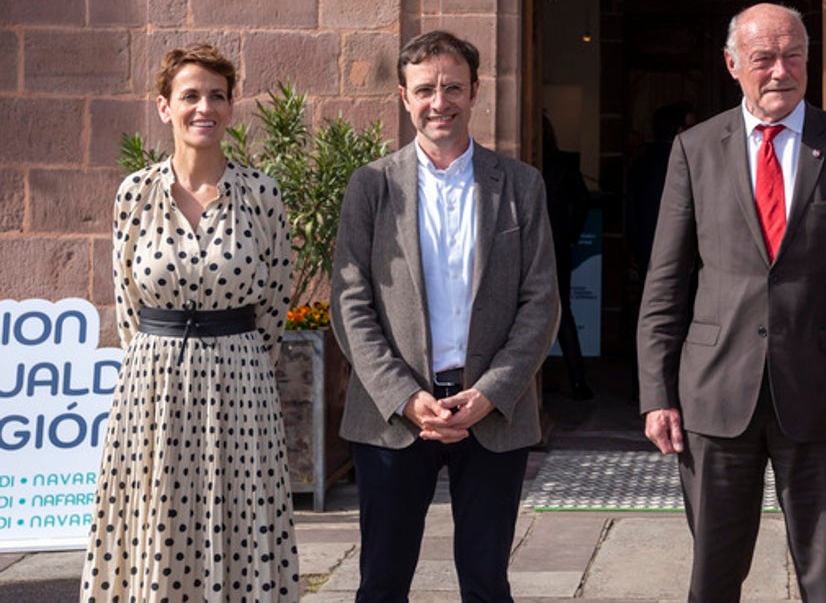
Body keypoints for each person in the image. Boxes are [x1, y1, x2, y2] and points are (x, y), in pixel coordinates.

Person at [637, 3, 826, 602]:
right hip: (714, 396)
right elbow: (664, 284)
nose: (779, 71)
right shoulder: (695, 148)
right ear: (733, 65)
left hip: (824, 396)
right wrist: (656, 393)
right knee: (713, 574)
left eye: (793, 56)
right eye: (763, 58)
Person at [331, 30, 559, 602]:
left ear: (476, 91)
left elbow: (540, 303)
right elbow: (350, 303)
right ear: (404, 98)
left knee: (486, 582)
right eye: (426, 88)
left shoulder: (521, 186)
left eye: (453, 87)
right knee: (381, 581)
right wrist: (405, 396)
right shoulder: (372, 186)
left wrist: (492, 391)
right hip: (395, 415)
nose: (440, 101)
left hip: (490, 412)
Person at [82, 44, 300, 602]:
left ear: (231, 108)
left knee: (239, 524)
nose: (204, 107)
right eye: (190, 96)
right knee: (159, 525)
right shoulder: (135, 193)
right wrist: (160, 362)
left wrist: (239, 362)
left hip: (239, 385)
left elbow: (275, 300)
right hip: (153, 389)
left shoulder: (262, 194)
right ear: (163, 107)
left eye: (217, 96)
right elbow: (126, 299)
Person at [541, 115, 593, 399]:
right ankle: (578, 382)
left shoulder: (523, 163)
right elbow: (583, 202)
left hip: (529, 246)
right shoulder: (564, 164)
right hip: (557, 245)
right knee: (562, 313)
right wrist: (570, 235)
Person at [626, 100, 695, 280]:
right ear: (679, 130)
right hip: (682, 254)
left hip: (646, 250)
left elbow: (630, 214)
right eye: (690, 127)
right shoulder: (688, 164)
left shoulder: (640, 164)